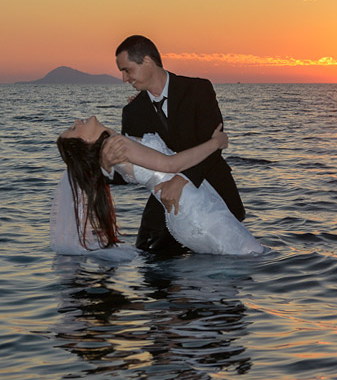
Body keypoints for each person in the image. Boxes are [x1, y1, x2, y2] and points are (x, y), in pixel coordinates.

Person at [103, 35, 245, 254]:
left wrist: (182, 179)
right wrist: (107, 166)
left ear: (148, 61)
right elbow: (134, 170)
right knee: (148, 255)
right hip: (166, 203)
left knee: (222, 270)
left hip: (215, 192)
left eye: (127, 70)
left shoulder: (198, 89)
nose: (123, 78)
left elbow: (214, 145)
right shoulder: (132, 112)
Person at [53, 115, 266, 256]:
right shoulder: (117, 146)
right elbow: (170, 164)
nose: (76, 121)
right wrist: (216, 143)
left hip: (185, 212)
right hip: (195, 210)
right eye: (74, 128)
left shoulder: (113, 149)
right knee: (251, 254)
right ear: (86, 141)